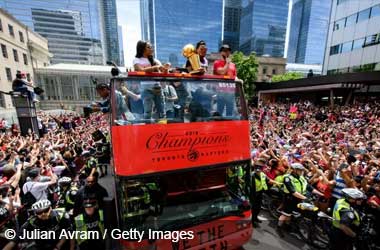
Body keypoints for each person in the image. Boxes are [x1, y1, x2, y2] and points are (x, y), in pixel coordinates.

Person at [276, 163, 323, 237]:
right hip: (290, 198)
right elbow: (293, 191)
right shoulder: (288, 178)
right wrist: (305, 198)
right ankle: (279, 227)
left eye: (302, 170)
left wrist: (320, 194)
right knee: (285, 214)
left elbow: (309, 187)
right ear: (294, 170)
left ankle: (288, 225)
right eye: (300, 170)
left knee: (292, 214)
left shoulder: (301, 177)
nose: (301, 171)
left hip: (300, 198)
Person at [4, 199, 73, 250]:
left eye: (46, 210)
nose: (43, 214)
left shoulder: (61, 215)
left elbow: (70, 233)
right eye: (39, 212)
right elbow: (15, 240)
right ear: (35, 214)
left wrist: (59, 246)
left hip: (61, 243)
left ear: (51, 208)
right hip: (43, 245)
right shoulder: (31, 222)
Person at [213, 44, 237, 117]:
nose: (226, 53)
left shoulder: (233, 65)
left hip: (230, 92)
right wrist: (227, 63)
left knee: (230, 114)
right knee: (219, 113)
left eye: (228, 51)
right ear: (221, 52)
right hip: (221, 92)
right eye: (224, 51)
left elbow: (235, 77)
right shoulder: (217, 63)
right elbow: (222, 72)